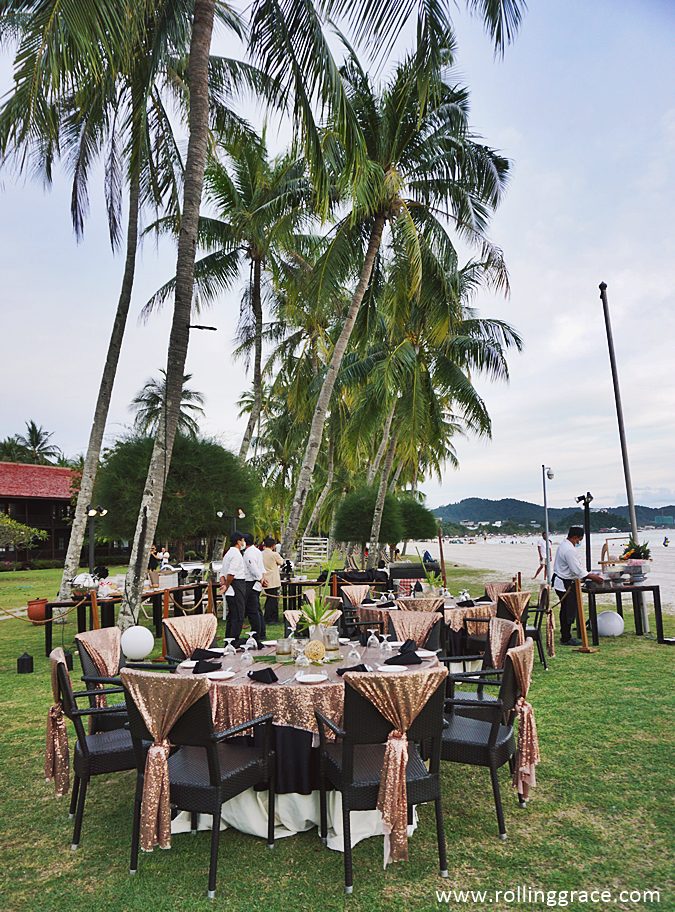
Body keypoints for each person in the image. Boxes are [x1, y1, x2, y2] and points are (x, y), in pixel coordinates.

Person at [551, 525, 604, 646]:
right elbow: (576, 570)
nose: (578, 542)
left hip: (565, 581)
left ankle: (566, 634)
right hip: (564, 583)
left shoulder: (565, 545)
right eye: (578, 540)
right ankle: (566, 637)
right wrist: (593, 577)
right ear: (574, 537)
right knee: (568, 610)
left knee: (567, 609)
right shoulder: (568, 549)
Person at [219, 531, 246, 643]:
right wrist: (226, 585)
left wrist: (223, 583)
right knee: (238, 616)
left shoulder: (228, 554)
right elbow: (231, 573)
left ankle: (229, 640)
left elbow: (222, 573)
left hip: (231, 587)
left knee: (232, 616)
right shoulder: (235, 554)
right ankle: (234, 641)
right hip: (235, 587)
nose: (243, 542)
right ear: (238, 541)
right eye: (242, 540)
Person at [242, 533, 266, 638]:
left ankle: (256, 633)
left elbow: (253, 567)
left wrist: (260, 578)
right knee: (256, 609)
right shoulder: (257, 551)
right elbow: (261, 567)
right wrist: (263, 578)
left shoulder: (249, 553)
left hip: (251, 582)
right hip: (257, 581)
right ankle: (261, 632)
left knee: (252, 610)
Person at [262, 536, 284, 623]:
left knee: (269, 598)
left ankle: (268, 617)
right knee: (273, 600)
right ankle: (271, 618)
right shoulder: (274, 554)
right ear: (273, 545)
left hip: (264, 578)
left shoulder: (261, 554)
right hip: (273, 580)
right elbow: (281, 562)